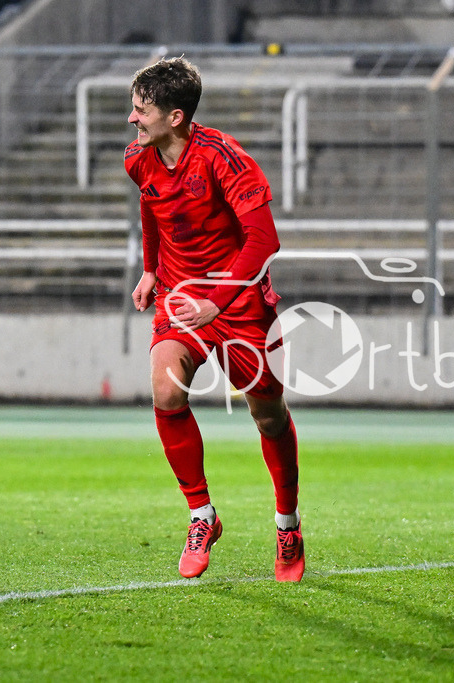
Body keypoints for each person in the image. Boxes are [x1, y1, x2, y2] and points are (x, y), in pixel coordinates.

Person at [124, 56, 304, 582]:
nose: (132, 120)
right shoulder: (140, 159)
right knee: (165, 389)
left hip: (241, 304)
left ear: (175, 116)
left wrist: (218, 301)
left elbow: (264, 241)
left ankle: (287, 525)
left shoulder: (226, 160)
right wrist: (151, 269)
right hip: (180, 298)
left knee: (268, 416)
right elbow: (152, 208)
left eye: (141, 110)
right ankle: (202, 516)